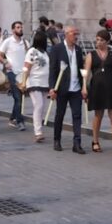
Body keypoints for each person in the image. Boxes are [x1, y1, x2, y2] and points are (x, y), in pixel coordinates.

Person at [83, 29, 112, 154]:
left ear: (107, 41)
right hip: (97, 87)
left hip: (111, 86)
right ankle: (95, 141)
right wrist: (84, 86)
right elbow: (86, 71)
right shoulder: (91, 54)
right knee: (98, 115)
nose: (98, 42)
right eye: (97, 39)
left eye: (101, 40)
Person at [49, 26, 86, 154]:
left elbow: (81, 68)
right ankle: (57, 139)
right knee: (60, 114)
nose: (76, 36)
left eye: (77, 33)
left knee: (77, 115)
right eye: (73, 33)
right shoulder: (57, 49)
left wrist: (85, 86)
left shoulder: (78, 49)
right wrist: (52, 88)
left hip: (76, 88)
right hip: (62, 87)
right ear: (66, 34)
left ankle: (77, 143)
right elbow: (53, 70)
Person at [0, 21, 29, 130]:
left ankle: (12, 118)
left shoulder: (25, 43)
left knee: (19, 99)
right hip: (12, 73)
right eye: (18, 27)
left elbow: (29, 56)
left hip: (23, 74)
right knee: (18, 97)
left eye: (21, 27)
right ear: (13, 30)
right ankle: (20, 121)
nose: (20, 29)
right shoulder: (8, 42)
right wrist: (5, 62)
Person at [22, 31, 51, 143]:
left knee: (42, 106)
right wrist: (24, 82)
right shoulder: (32, 51)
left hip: (44, 83)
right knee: (38, 105)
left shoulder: (45, 53)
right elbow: (27, 67)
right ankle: (38, 132)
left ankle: (39, 128)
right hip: (34, 81)